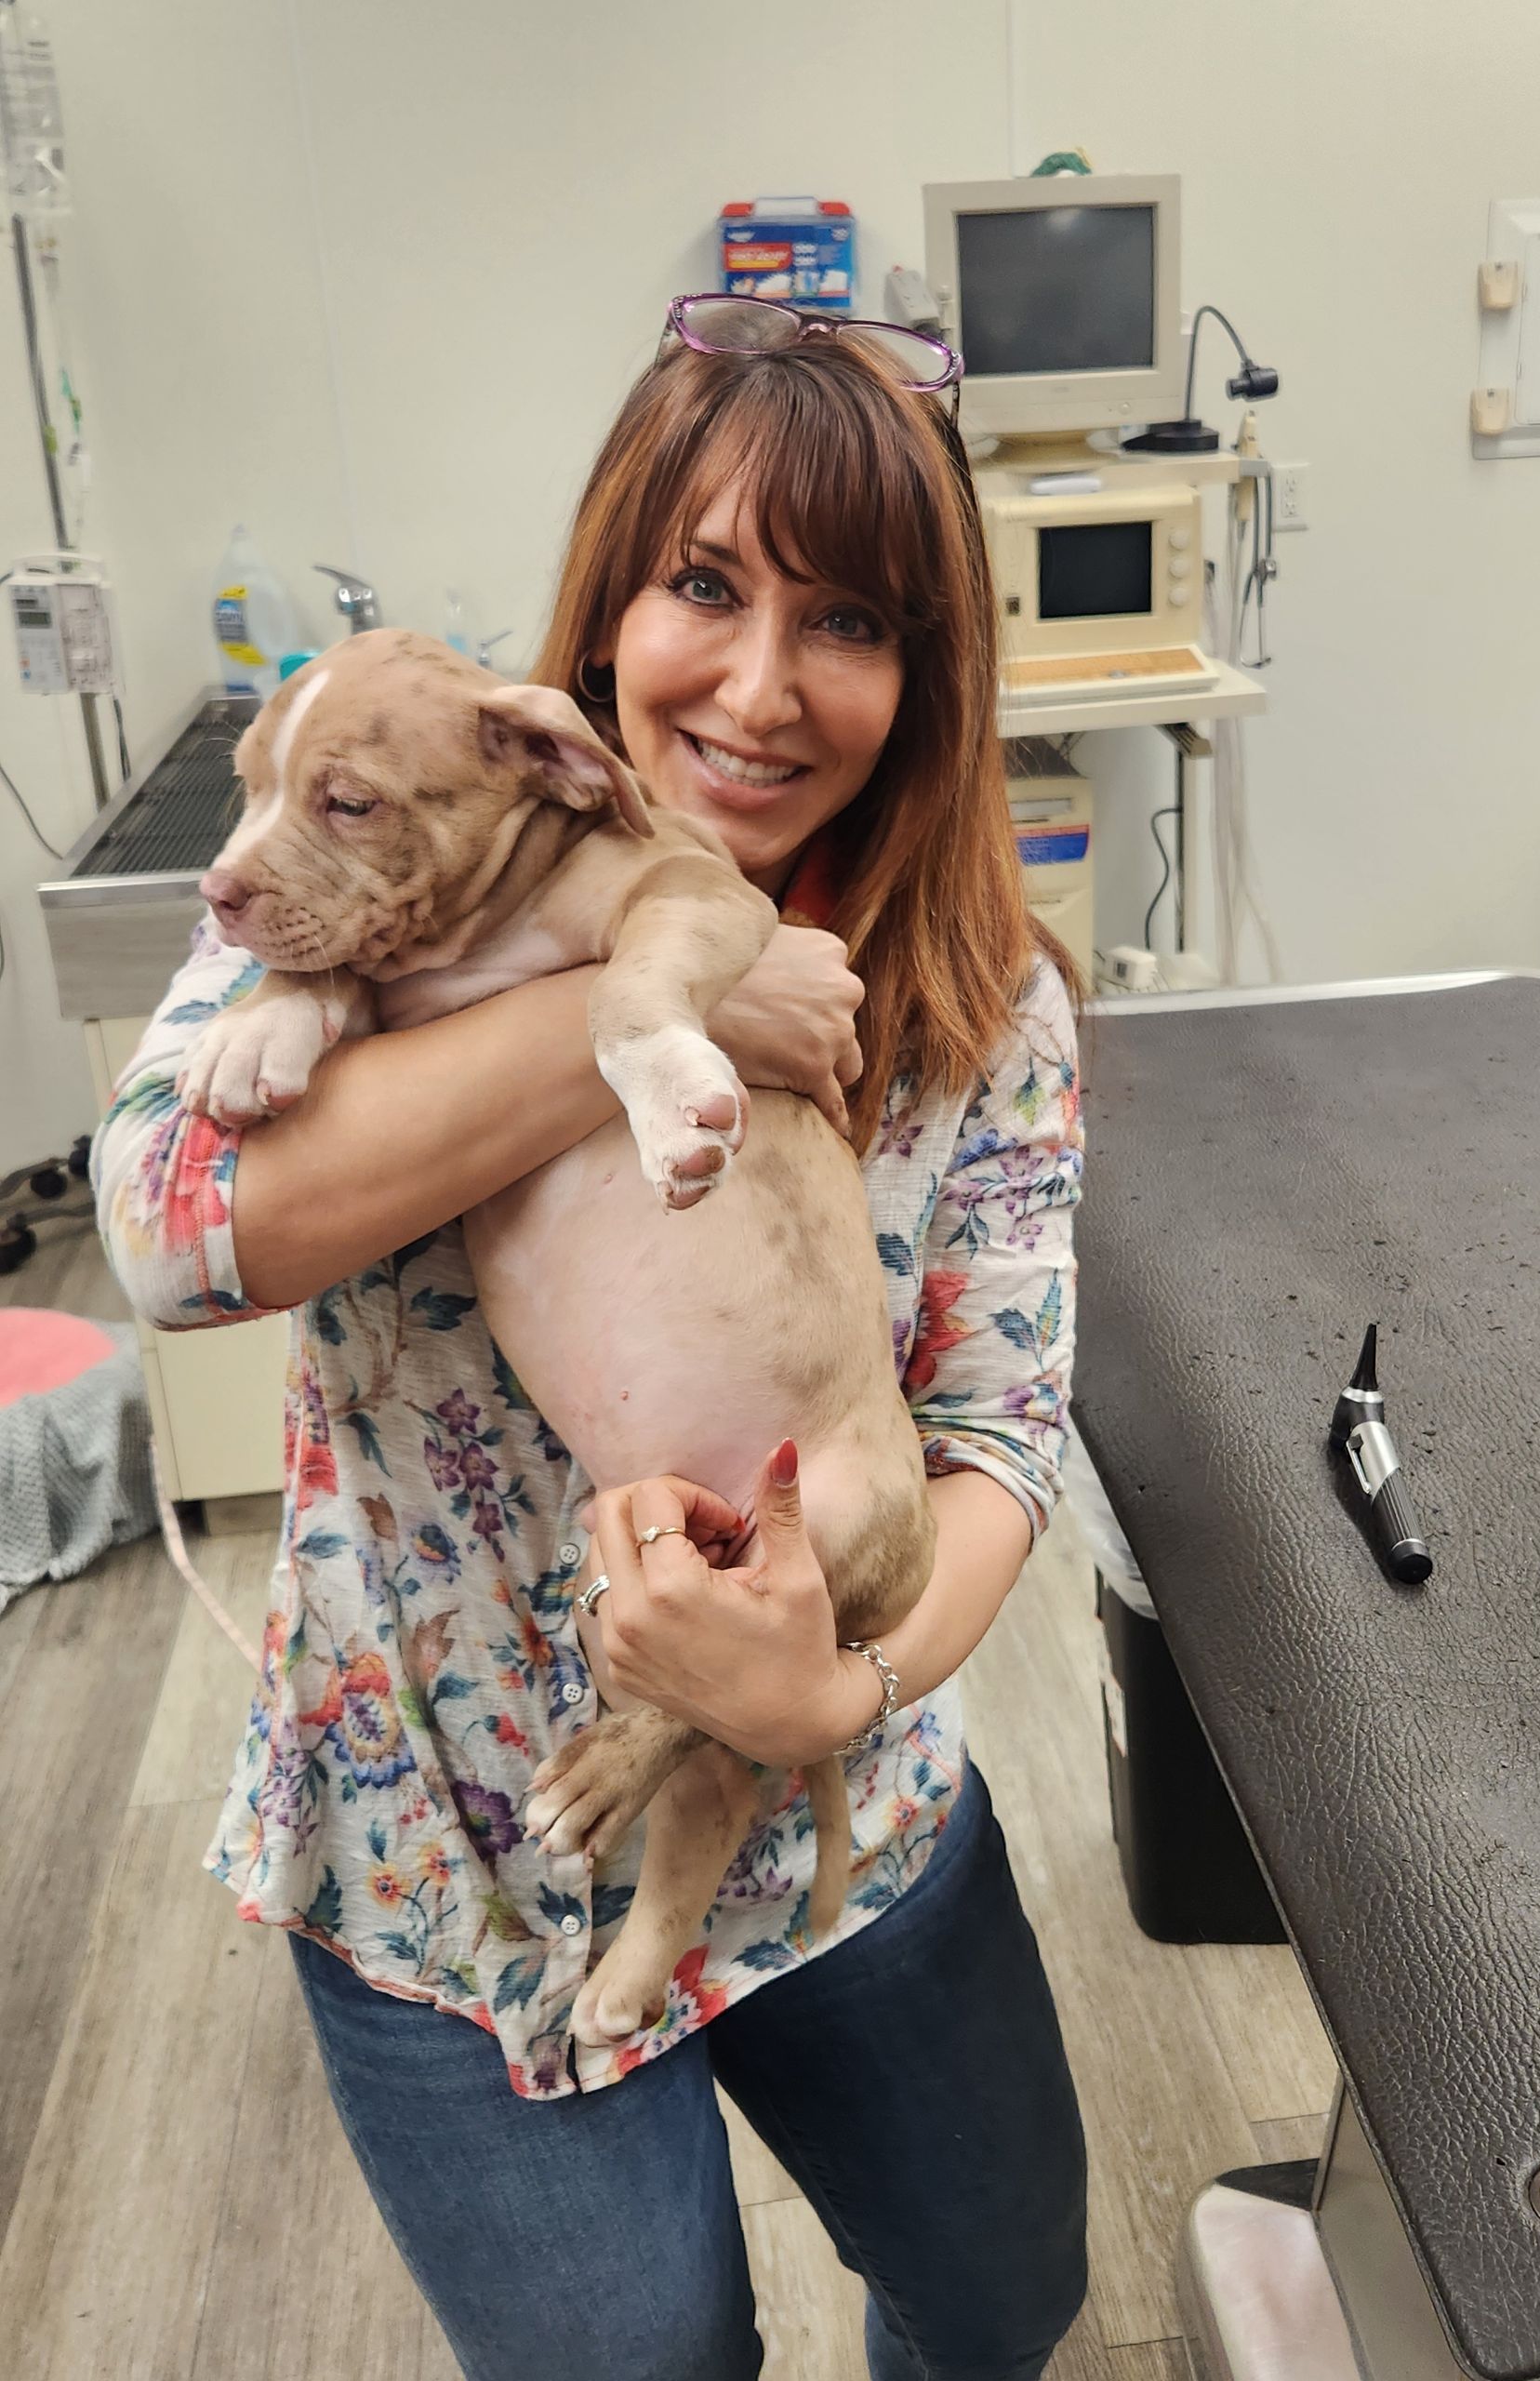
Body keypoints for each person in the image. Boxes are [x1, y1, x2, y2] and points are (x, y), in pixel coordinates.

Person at [94, 296, 1087, 2381]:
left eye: (850, 620)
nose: (756, 682)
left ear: (929, 674)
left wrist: (846, 1681)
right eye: (705, 585)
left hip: (851, 1793)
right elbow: (175, 1234)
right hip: (456, 1843)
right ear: (604, 612)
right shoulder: (363, 868)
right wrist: (642, 1016)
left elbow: (1000, 1426)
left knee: (1007, 2291)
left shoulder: (987, 1001)